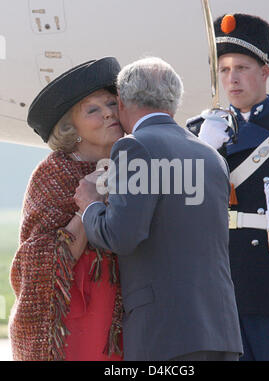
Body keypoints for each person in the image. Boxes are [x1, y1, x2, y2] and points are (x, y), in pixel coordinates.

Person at [74, 56, 243, 361]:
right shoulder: (211, 157)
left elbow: (121, 236)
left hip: (164, 334)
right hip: (221, 331)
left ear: (124, 101)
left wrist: (90, 205)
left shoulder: (135, 146)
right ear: (174, 102)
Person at [187, 14, 269, 360]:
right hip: (218, 296)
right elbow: (183, 212)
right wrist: (202, 152)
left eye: (242, 67)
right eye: (224, 70)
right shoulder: (199, 134)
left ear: (265, 70)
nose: (232, 79)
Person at [9, 57, 124, 361]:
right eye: (93, 110)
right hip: (73, 318)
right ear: (70, 127)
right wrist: (90, 205)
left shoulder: (136, 165)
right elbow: (40, 260)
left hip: (128, 315)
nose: (109, 113)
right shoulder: (53, 175)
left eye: (112, 102)